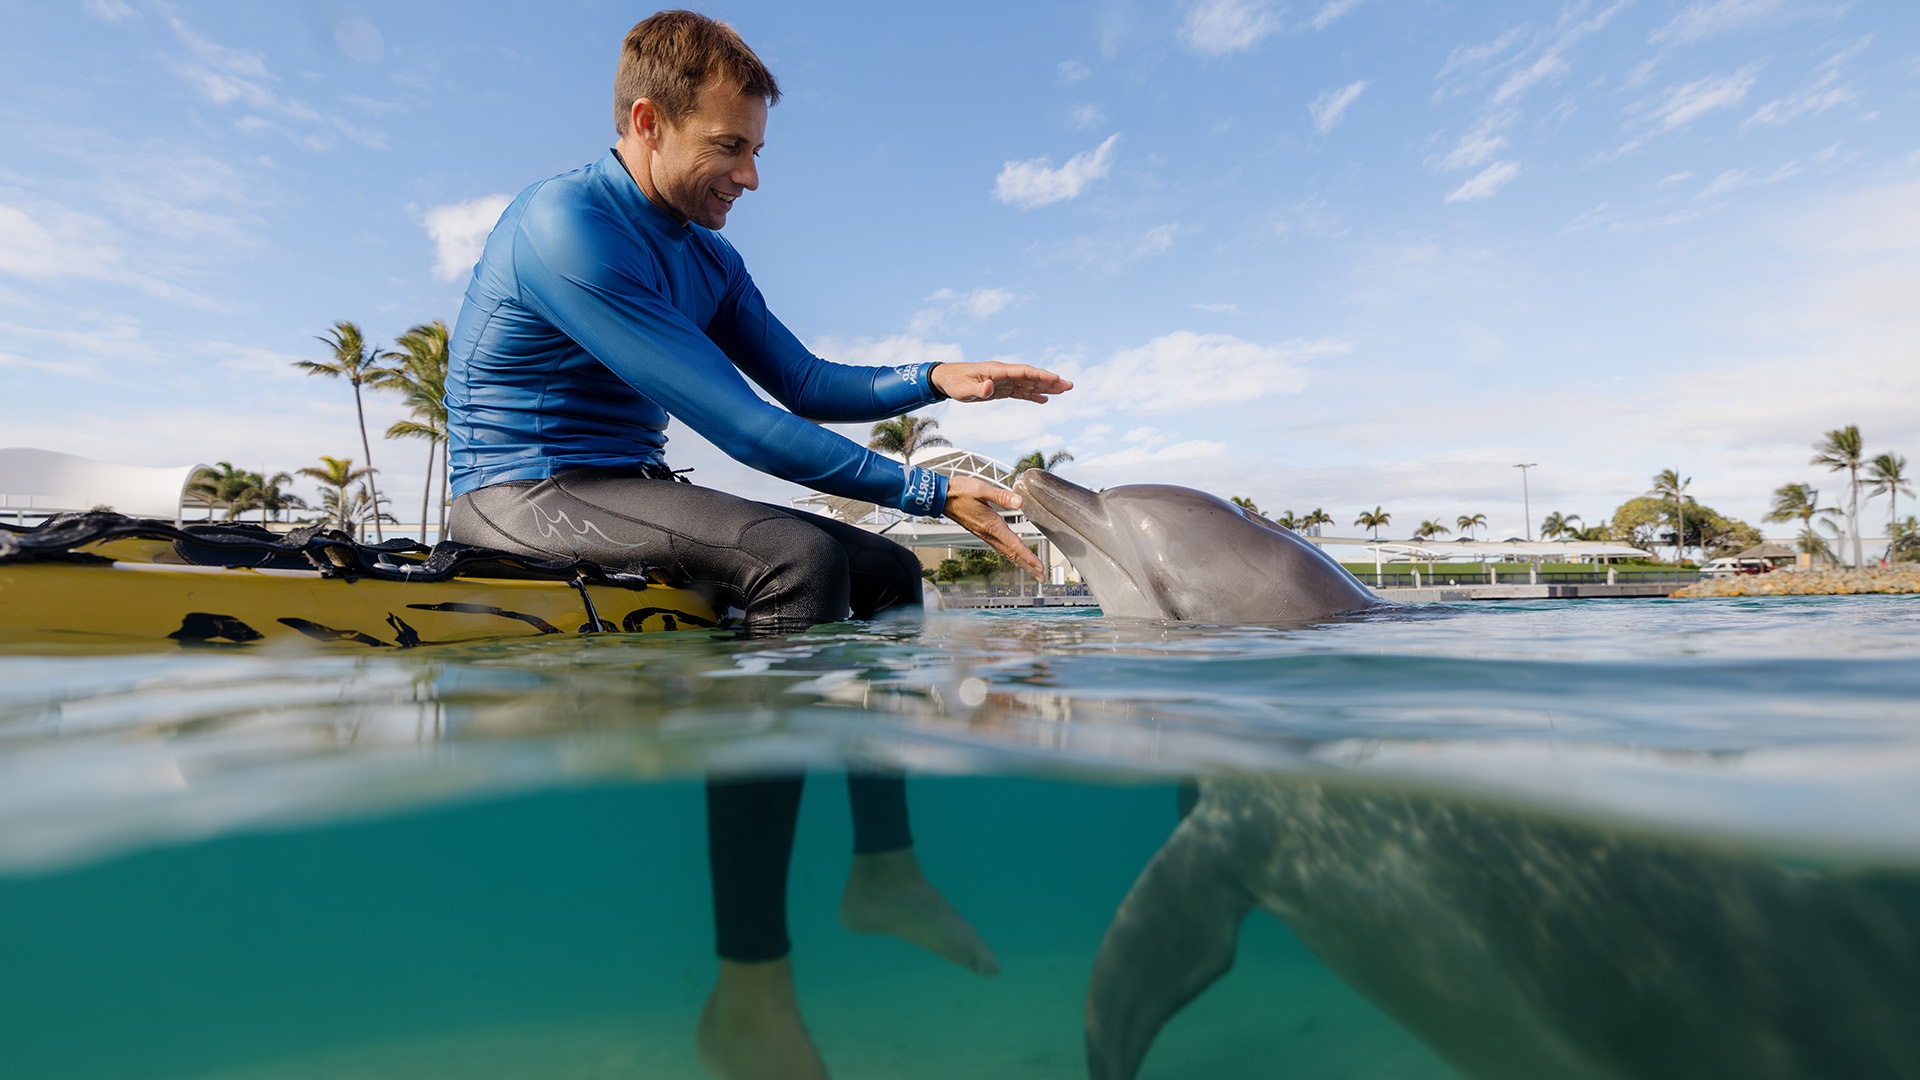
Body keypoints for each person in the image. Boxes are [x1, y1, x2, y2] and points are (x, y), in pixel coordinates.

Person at [441, 11, 1071, 1079]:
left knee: (888, 571)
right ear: (647, 121)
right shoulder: (567, 230)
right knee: (802, 562)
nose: (750, 177)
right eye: (729, 148)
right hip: (520, 491)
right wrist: (921, 484)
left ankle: (884, 872)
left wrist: (934, 377)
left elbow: (807, 384)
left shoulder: (707, 259)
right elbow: (744, 428)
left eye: (757, 151)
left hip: (620, 489)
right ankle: (749, 989)